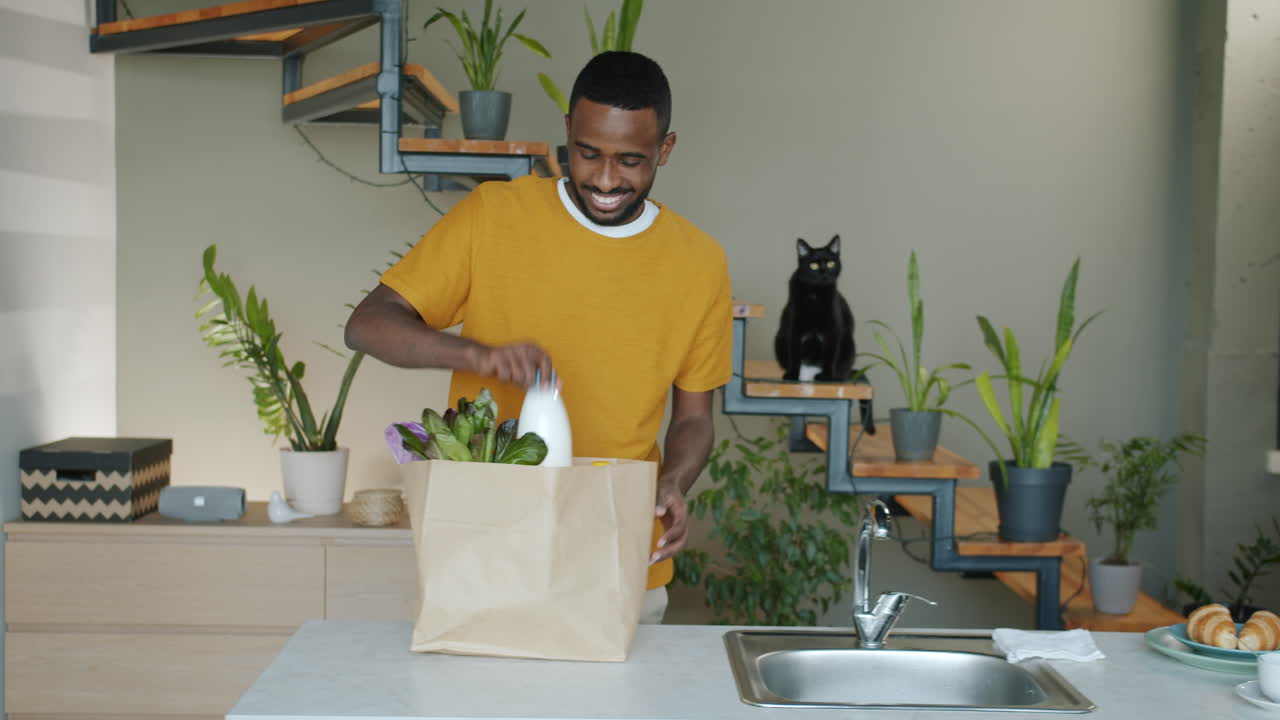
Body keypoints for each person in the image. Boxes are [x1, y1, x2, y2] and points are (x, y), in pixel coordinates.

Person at [344, 51, 732, 623]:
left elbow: (694, 418)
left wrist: (673, 480)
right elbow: (368, 323)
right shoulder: (494, 215)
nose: (605, 179)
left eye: (630, 160)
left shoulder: (699, 263)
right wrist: (477, 355)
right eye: (588, 153)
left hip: (620, 554)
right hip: (483, 548)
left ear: (665, 149)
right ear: (567, 132)